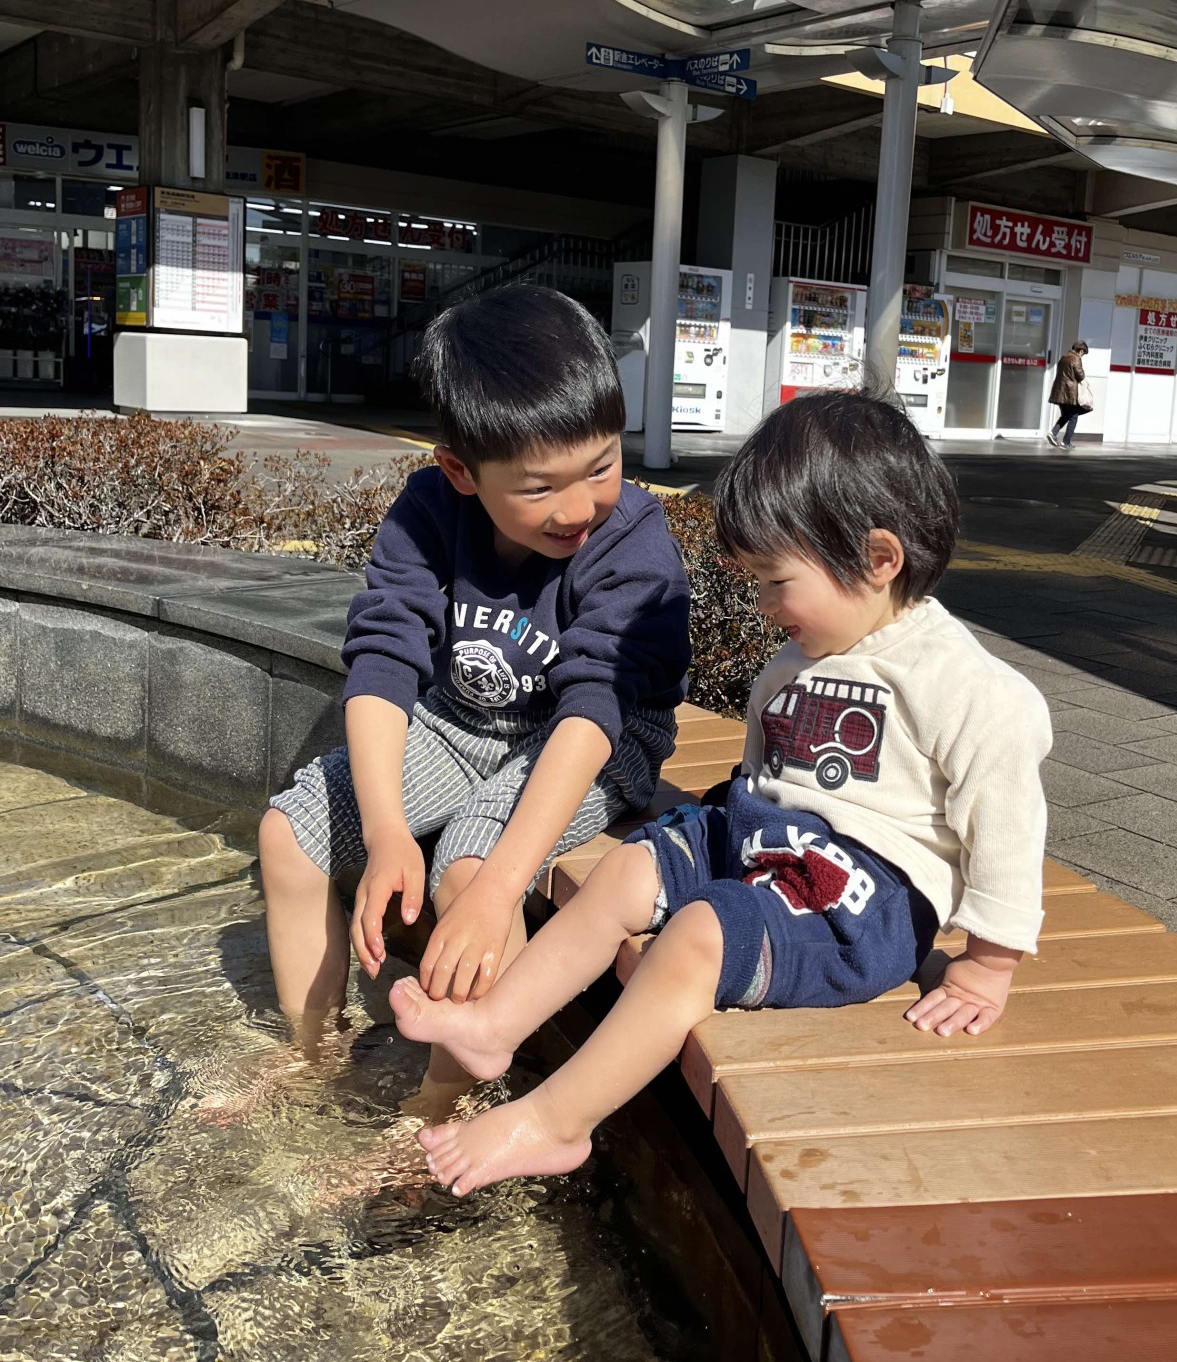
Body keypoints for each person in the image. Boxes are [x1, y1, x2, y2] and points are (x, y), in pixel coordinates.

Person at [390, 389, 1051, 1196]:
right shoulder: (793, 667)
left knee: (704, 929)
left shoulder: (970, 687)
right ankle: (497, 1026)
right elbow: (760, 781)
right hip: (771, 842)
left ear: (880, 559)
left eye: (777, 583)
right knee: (629, 870)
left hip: (862, 899)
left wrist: (987, 966)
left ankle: (554, 1123)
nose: (767, 608)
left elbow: (1008, 830)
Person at [258, 285, 691, 1120]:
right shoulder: (428, 512)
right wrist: (385, 830)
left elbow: (592, 710)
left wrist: (500, 887)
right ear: (460, 470)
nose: (578, 509)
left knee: (468, 875)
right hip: (457, 722)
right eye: (539, 487)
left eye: (602, 466)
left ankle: (440, 1107)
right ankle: (310, 1060)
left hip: (599, 741)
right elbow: (385, 662)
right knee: (290, 836)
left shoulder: (634, 544)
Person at [1047, 340, 1090, 448]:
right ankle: (1065, 442)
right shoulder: (1076, 358)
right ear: (1080, 351)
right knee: (1073, 417)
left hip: (1059, 392)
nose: (1082, 356)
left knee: (1066, 415)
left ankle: (1053, 433)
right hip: (1069, 393)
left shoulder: (1063, 358)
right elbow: (1080, 376)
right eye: (1083, 353)